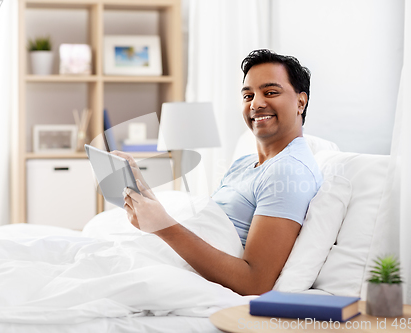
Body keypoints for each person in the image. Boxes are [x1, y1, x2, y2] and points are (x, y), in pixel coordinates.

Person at [115, 49, 323, 296]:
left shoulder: (288, 173)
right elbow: (210, 230)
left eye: (270, 92)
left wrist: (163, 227)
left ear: (301, 102)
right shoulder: (245, 164)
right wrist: (147, 199)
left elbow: (255, 283)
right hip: (172, 263)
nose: (256, 103)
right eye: (248, 95)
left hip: (187, 280)